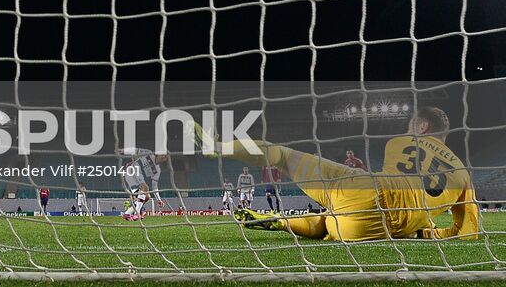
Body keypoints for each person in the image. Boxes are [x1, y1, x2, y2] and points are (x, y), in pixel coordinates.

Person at [197, 107, 480, 242]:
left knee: (281, 155)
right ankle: (282, 222)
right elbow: (468, 233)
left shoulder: (399, 142)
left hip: (360, 190)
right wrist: (424, 233)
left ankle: (218, 147)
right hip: (379, 231)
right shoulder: (462, 175)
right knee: (330, 223)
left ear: (421, 127)